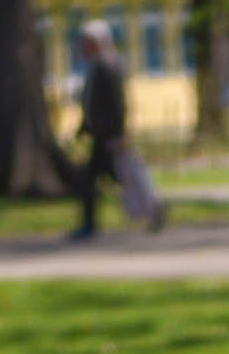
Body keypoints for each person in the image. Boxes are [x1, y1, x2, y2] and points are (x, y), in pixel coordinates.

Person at [69, 19, 168, 241]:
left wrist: (119, 133)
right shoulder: (97, 66)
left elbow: (117, 103)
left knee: (102, 178)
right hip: (101, 135)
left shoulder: (108, 67)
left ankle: (92, 223)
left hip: (109, 136)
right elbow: (92, 103)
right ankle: (152, 208)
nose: (83, 47)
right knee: (115, 177)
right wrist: (84, 128)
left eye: (87, 42)